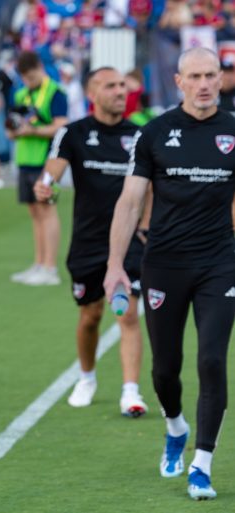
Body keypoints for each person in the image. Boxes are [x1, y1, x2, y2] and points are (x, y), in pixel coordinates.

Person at [104, 47, 235, 501]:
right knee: (164, 370)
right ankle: (176, 426)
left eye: (211, 75)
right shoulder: (155, 133)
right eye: (194, 76)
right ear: (178, 81)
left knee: (212, 360)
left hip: (220, 264)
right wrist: (115, 266)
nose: (204, 84)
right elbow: (129, 203)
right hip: (163, 263)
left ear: (221, 79)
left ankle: (202, 464)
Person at [33, 67, 148, 416]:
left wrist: (145, 226)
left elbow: (151, 186)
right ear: (91, 93)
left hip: (129, 241)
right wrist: (46, 186)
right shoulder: (73, 133)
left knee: (128, 313)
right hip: (88, 242)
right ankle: (86, 377)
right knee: (91, 315)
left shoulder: (140, 135)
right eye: (111, 86)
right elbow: (53, 170)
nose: (120, 91)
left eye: (123, 85)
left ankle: (131, 392)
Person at [7, 50, 68, 286]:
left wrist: (32, 130)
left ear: (40, 68)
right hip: (25, 159)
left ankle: (50, 268)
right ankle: (39, 263)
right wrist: (15, 131)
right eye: (25, 78)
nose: (28, 82)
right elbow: (11, 128)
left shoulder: (56, 92)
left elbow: (61, 127)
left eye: (31, 77)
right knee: (35, 213)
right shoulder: (21, 94)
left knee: (47, 210)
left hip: (48, 161)